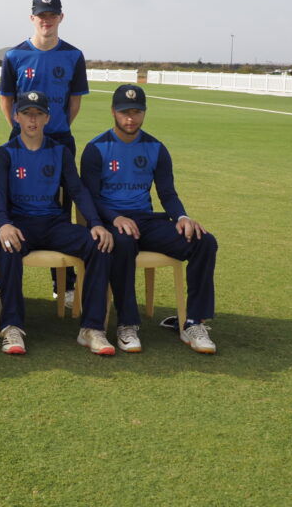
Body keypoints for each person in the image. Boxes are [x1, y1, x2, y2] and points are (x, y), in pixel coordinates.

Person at [81, 84, 218, 354]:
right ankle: (127, 324)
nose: (130, 118)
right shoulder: (96, 148)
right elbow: (90, 198)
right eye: (124, 112)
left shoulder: (156, 148)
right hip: (113, 221)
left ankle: (193, 322)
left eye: (136, 112)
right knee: (123, 241)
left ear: (144, 113)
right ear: (113, 112)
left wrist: (181, 216)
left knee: (204, 242)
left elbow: (167, 193)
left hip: (147, 220)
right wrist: (115, 216)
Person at [0, 91, 115, 356]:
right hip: (21, 225)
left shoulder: (60, 151)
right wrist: (3, 224)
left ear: (47, 117)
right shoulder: (5, 153)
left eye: (38, 114)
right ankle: (12, 327)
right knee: (9, 246)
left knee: (98, 244)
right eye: (26, 114)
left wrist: (95, 223)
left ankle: (92, 329)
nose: (32, 121)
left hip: (53, 224)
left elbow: (78, 190)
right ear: (16, 117)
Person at [0, 0, 88, 304]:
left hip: (59, 137)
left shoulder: (74, 56)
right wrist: (21, 128)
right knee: (9, 201)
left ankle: (64, 283)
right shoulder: (15, 55)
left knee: (60, 207)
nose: (46, 21)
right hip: (20, 137)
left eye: (52, 15)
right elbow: (6, 99)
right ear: (32, 18)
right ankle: (1, 279)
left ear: (60, 17)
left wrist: (55, 127)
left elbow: (73, 102)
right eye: (41, 16)